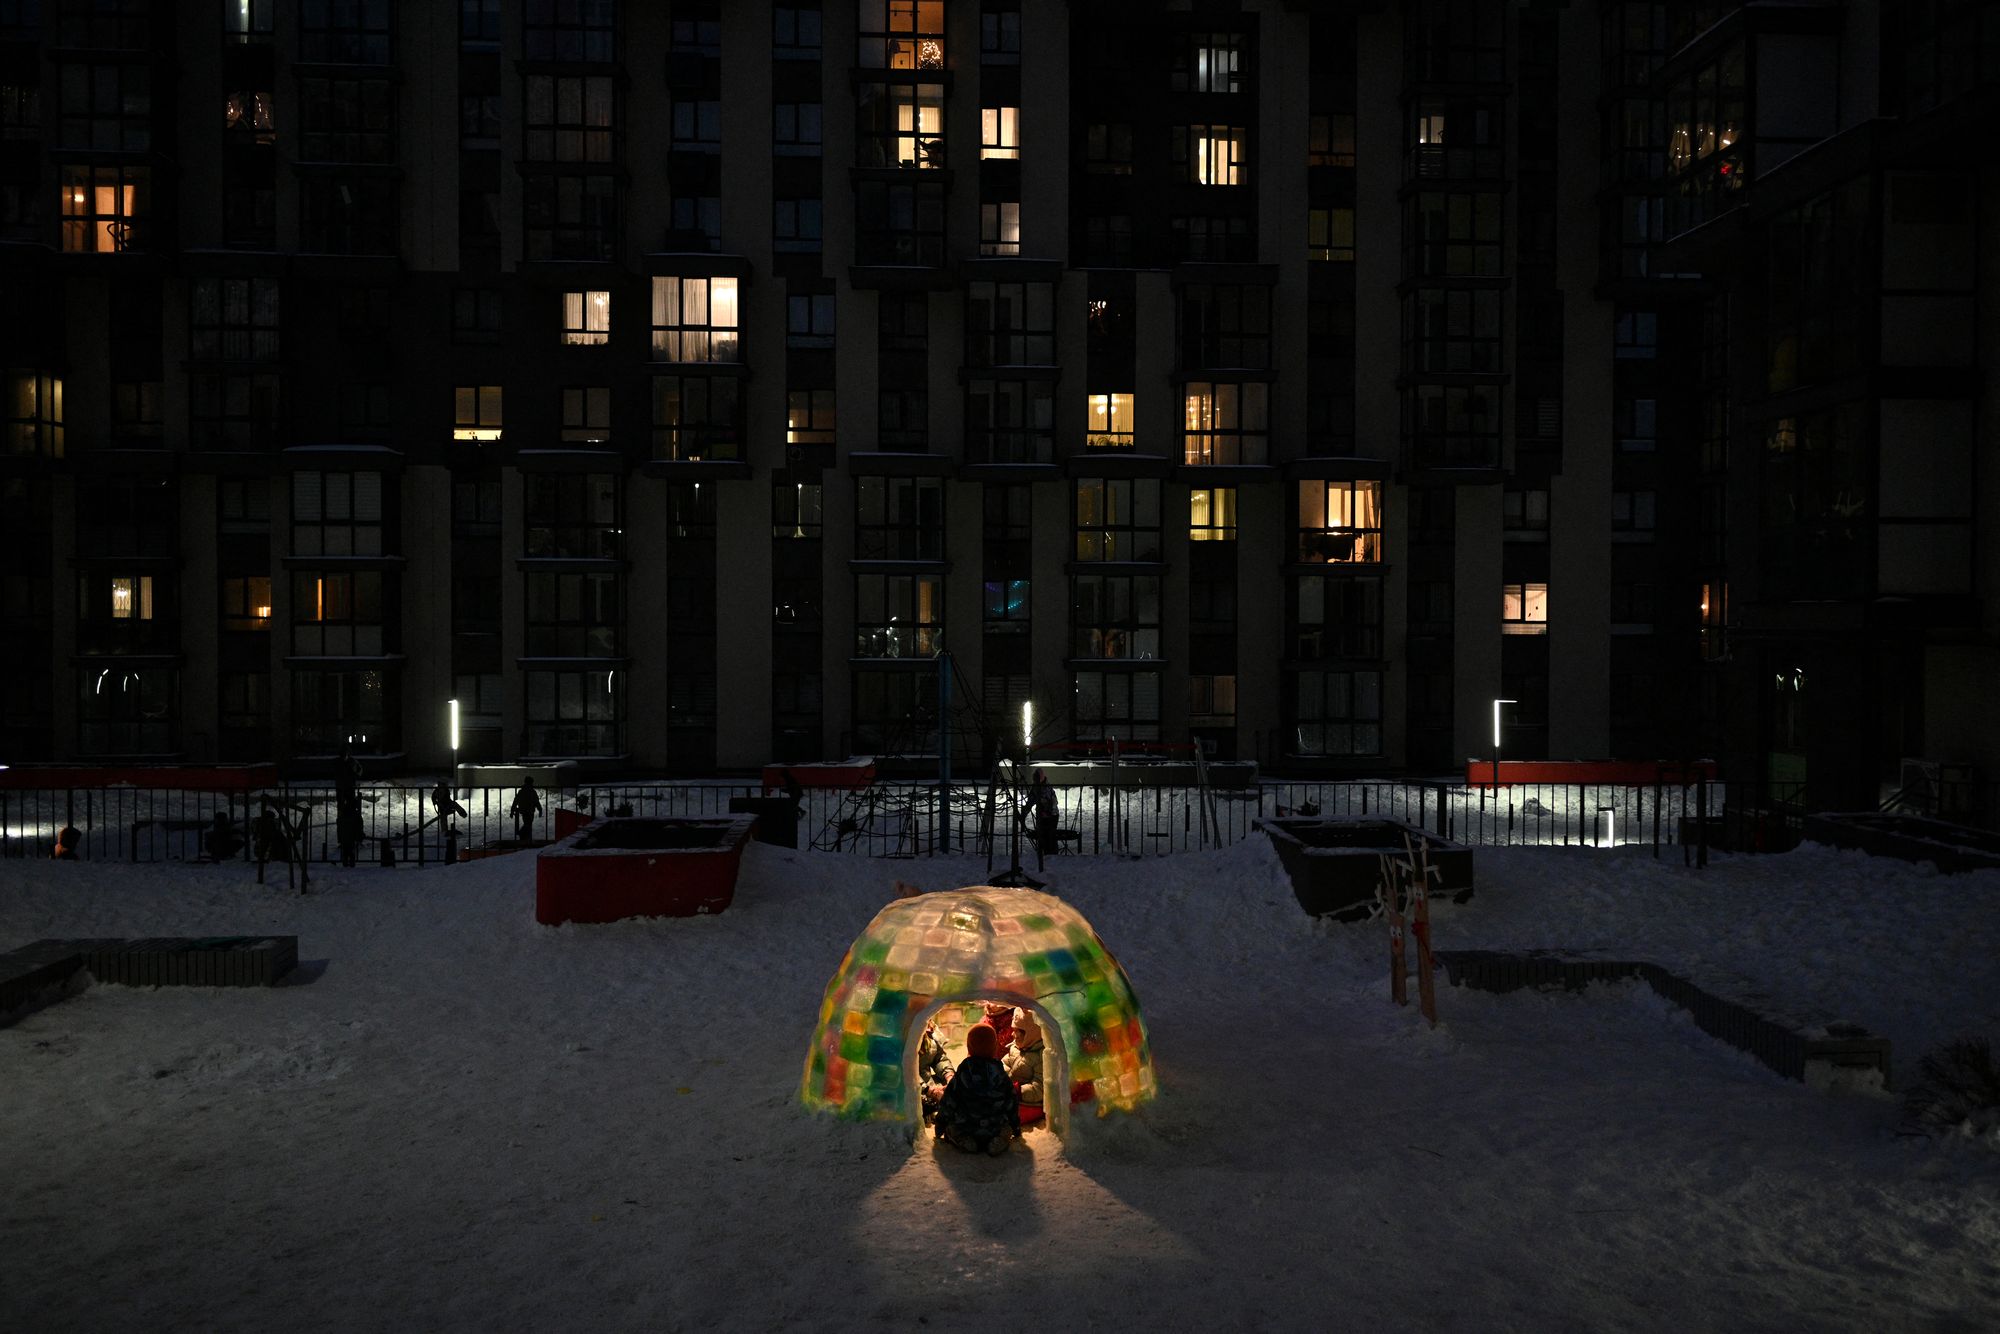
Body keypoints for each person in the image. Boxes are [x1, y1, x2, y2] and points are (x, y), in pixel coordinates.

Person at [933, 1022, 1018, 1157]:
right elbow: (1011, 1100)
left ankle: (966, 1141)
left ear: (968, 1047)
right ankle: (998, 1140)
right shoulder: (1000, 1072)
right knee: (1006, 1128)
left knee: (953, 1128)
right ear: (995, 1047)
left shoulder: (964, 1071)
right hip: (994, 1127)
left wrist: (940, 1126)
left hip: (966, 1126)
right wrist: (1016, 1126)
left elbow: (949, 1101)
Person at [1004, 1011, 1047, 1123]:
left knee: (1006, 1114)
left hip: (1030, 1103)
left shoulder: (1041, 1055)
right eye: (1013, 1030)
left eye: (1018, 1032)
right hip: (1011, 1095)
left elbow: (1039, 1089)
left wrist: (1018, 1091)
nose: (1013, 1035)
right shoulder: (1015, 1048)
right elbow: (1004, 1064)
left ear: (1032, 1033)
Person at [918, 1020, 955, 1120]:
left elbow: (939, 1058)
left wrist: (949, 1075)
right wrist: (927, 1089)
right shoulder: (906, 1032)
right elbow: (906, 1070)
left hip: (926, 1080)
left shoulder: (930, 1029)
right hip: (911, 1085)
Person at [1023, 770, 1058, 870]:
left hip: (1050, 815)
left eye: (1035, 779)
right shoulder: (1037, 788)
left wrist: (1046, 812)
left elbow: (1052, 803)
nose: (1034, 781)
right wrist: (1025, 812)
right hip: (1043, 815)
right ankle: (1045, 855)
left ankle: (1050, 855)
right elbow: (1031, 801)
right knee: (1043, 835)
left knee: (1049, 836)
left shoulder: (1046, 788)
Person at [509, 776, 543, 843]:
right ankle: (524, 836)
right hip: (530, 810)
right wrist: (540, 809)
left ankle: (525, 838)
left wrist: (512, 811)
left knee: (527, 824)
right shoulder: (532, 791)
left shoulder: (521, 791)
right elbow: (536, 801)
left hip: (523, 810)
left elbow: (515, 801)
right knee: (528, 824)